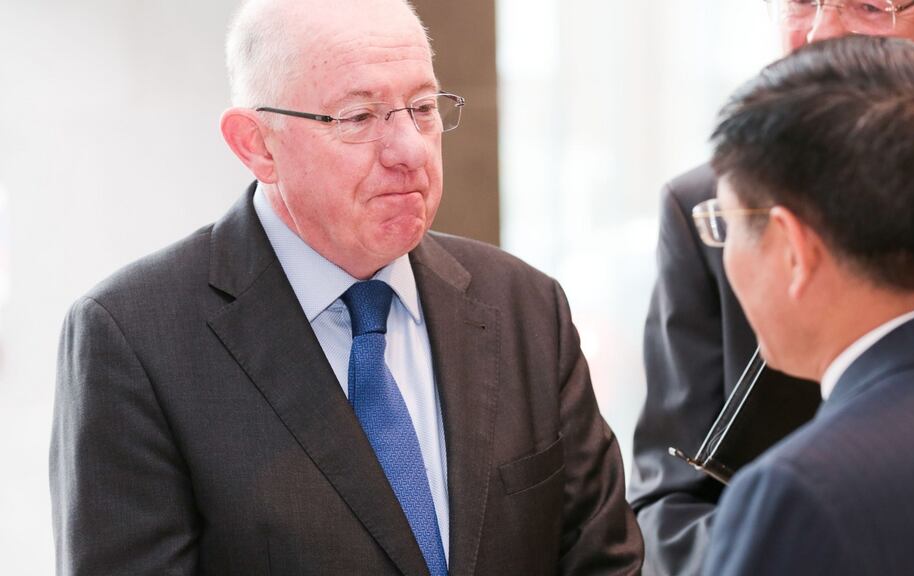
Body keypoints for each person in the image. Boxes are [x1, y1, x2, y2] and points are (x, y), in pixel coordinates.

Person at [49, 0, 643, 574]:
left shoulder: (525, 306)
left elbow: (604, 561)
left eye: (423, 108)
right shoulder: (134, 339)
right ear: (256, 144)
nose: (410, 150)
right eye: (359, 117)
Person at [629, 1, 914, 572]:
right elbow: (669, 496)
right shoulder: (707, 197)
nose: (822, 32)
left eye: (869, 5)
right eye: (801, 2)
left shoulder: (797, 495)